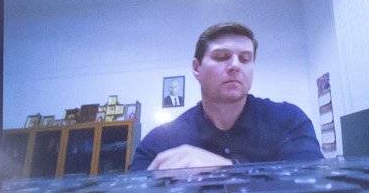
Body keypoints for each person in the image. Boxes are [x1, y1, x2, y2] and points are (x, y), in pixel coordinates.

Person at [130, 22, 321, 172]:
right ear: (197, 68)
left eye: (245, 59)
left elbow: (312, 185)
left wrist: (226, 169)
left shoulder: (289, 121)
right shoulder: (159, 143)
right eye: (221, 56)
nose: (235, 65)